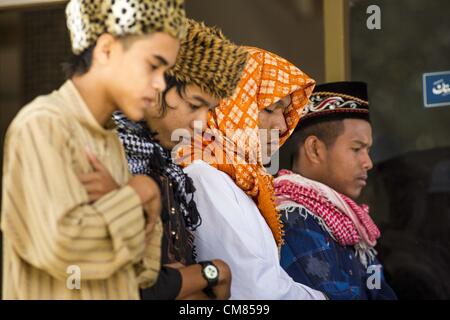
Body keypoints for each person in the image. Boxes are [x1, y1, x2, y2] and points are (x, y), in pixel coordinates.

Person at [0, 0, 185, 299]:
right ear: (106, 49)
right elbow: (64, 247)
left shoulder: (109, 138)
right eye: (153, 65)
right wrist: (137, 195)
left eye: (165, 71)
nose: (160, 84)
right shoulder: (42, 126)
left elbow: (143, 271)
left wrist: (135, 198)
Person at [112, 19, 248, 300]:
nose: (201, 123)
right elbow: (130, 288)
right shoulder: (108, 158)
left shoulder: (162, 162)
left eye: (209, 110)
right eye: (194, 105)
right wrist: (213, 272)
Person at [177, 47, 326, 299]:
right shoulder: (204, 177)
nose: (282, 126)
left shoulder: (240, 179)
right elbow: (255, 292)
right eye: (270, 109)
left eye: (284, 111)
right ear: (230, 104)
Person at [275, 81, 397, 299]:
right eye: (356, 148)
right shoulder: (293, 218)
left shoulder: (350, 221)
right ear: (315, 149)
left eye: (368, 150)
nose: (368, 162)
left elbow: (380, 291)